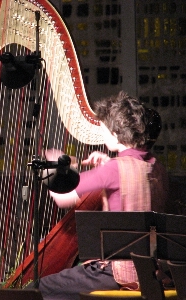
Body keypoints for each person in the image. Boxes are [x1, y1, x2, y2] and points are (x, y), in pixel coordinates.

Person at [37, 91, 168, 299]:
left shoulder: (114, 170)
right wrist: (107, 164)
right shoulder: (156, 166)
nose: (102, 136)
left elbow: (62, 198)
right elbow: (134, 184)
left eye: (103, 131)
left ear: (116, 134)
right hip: (152, 271)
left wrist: (51, 168)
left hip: (115, 273)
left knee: (36, 289)